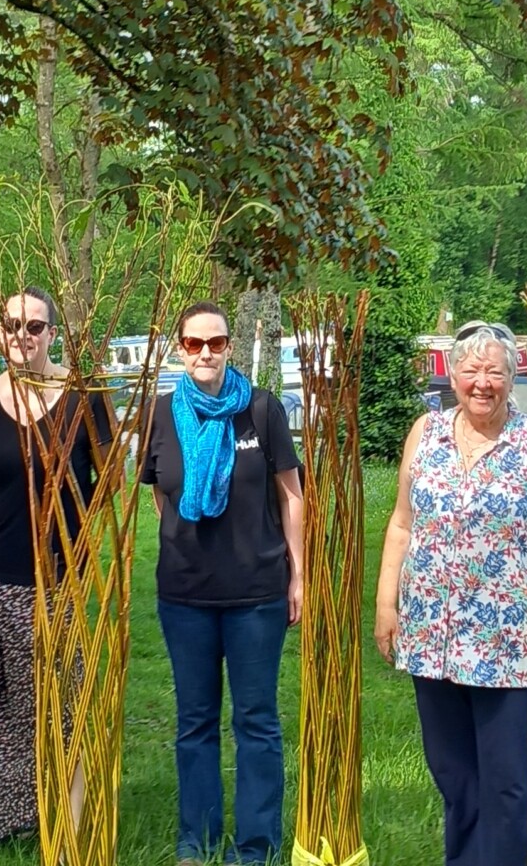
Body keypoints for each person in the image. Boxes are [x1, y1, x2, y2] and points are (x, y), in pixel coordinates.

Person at [374, 320, 527, 866]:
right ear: (452, 375)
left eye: (495, 371)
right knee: (452, 772)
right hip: (432, 631)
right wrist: (386, 604)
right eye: (471, 370)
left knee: (506, 780)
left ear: (512, 376)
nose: (482, 383)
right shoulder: (425, 433)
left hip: (507, 637)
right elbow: (402, 523)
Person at [139, 302, 305, 865]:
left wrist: (297, 572)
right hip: (185, 595)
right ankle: (198, 839)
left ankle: (256, 846)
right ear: (178, 349)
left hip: (256, 593)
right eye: (193, 344)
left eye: (215, 343)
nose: (205, 353)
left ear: (230, 346)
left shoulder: (260, 409)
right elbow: (159, 492)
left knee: (257, 721)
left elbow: (291, 494)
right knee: (195, 721)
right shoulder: (160, 414)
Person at [0, 287, 114, 843]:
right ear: (0, 331)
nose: (23, 334)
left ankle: (25, 811)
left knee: (43, 693)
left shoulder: (82, 398)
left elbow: (107, 478)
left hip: (48, 571)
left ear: (52, 334)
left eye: (35, 326)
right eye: (13, 324)